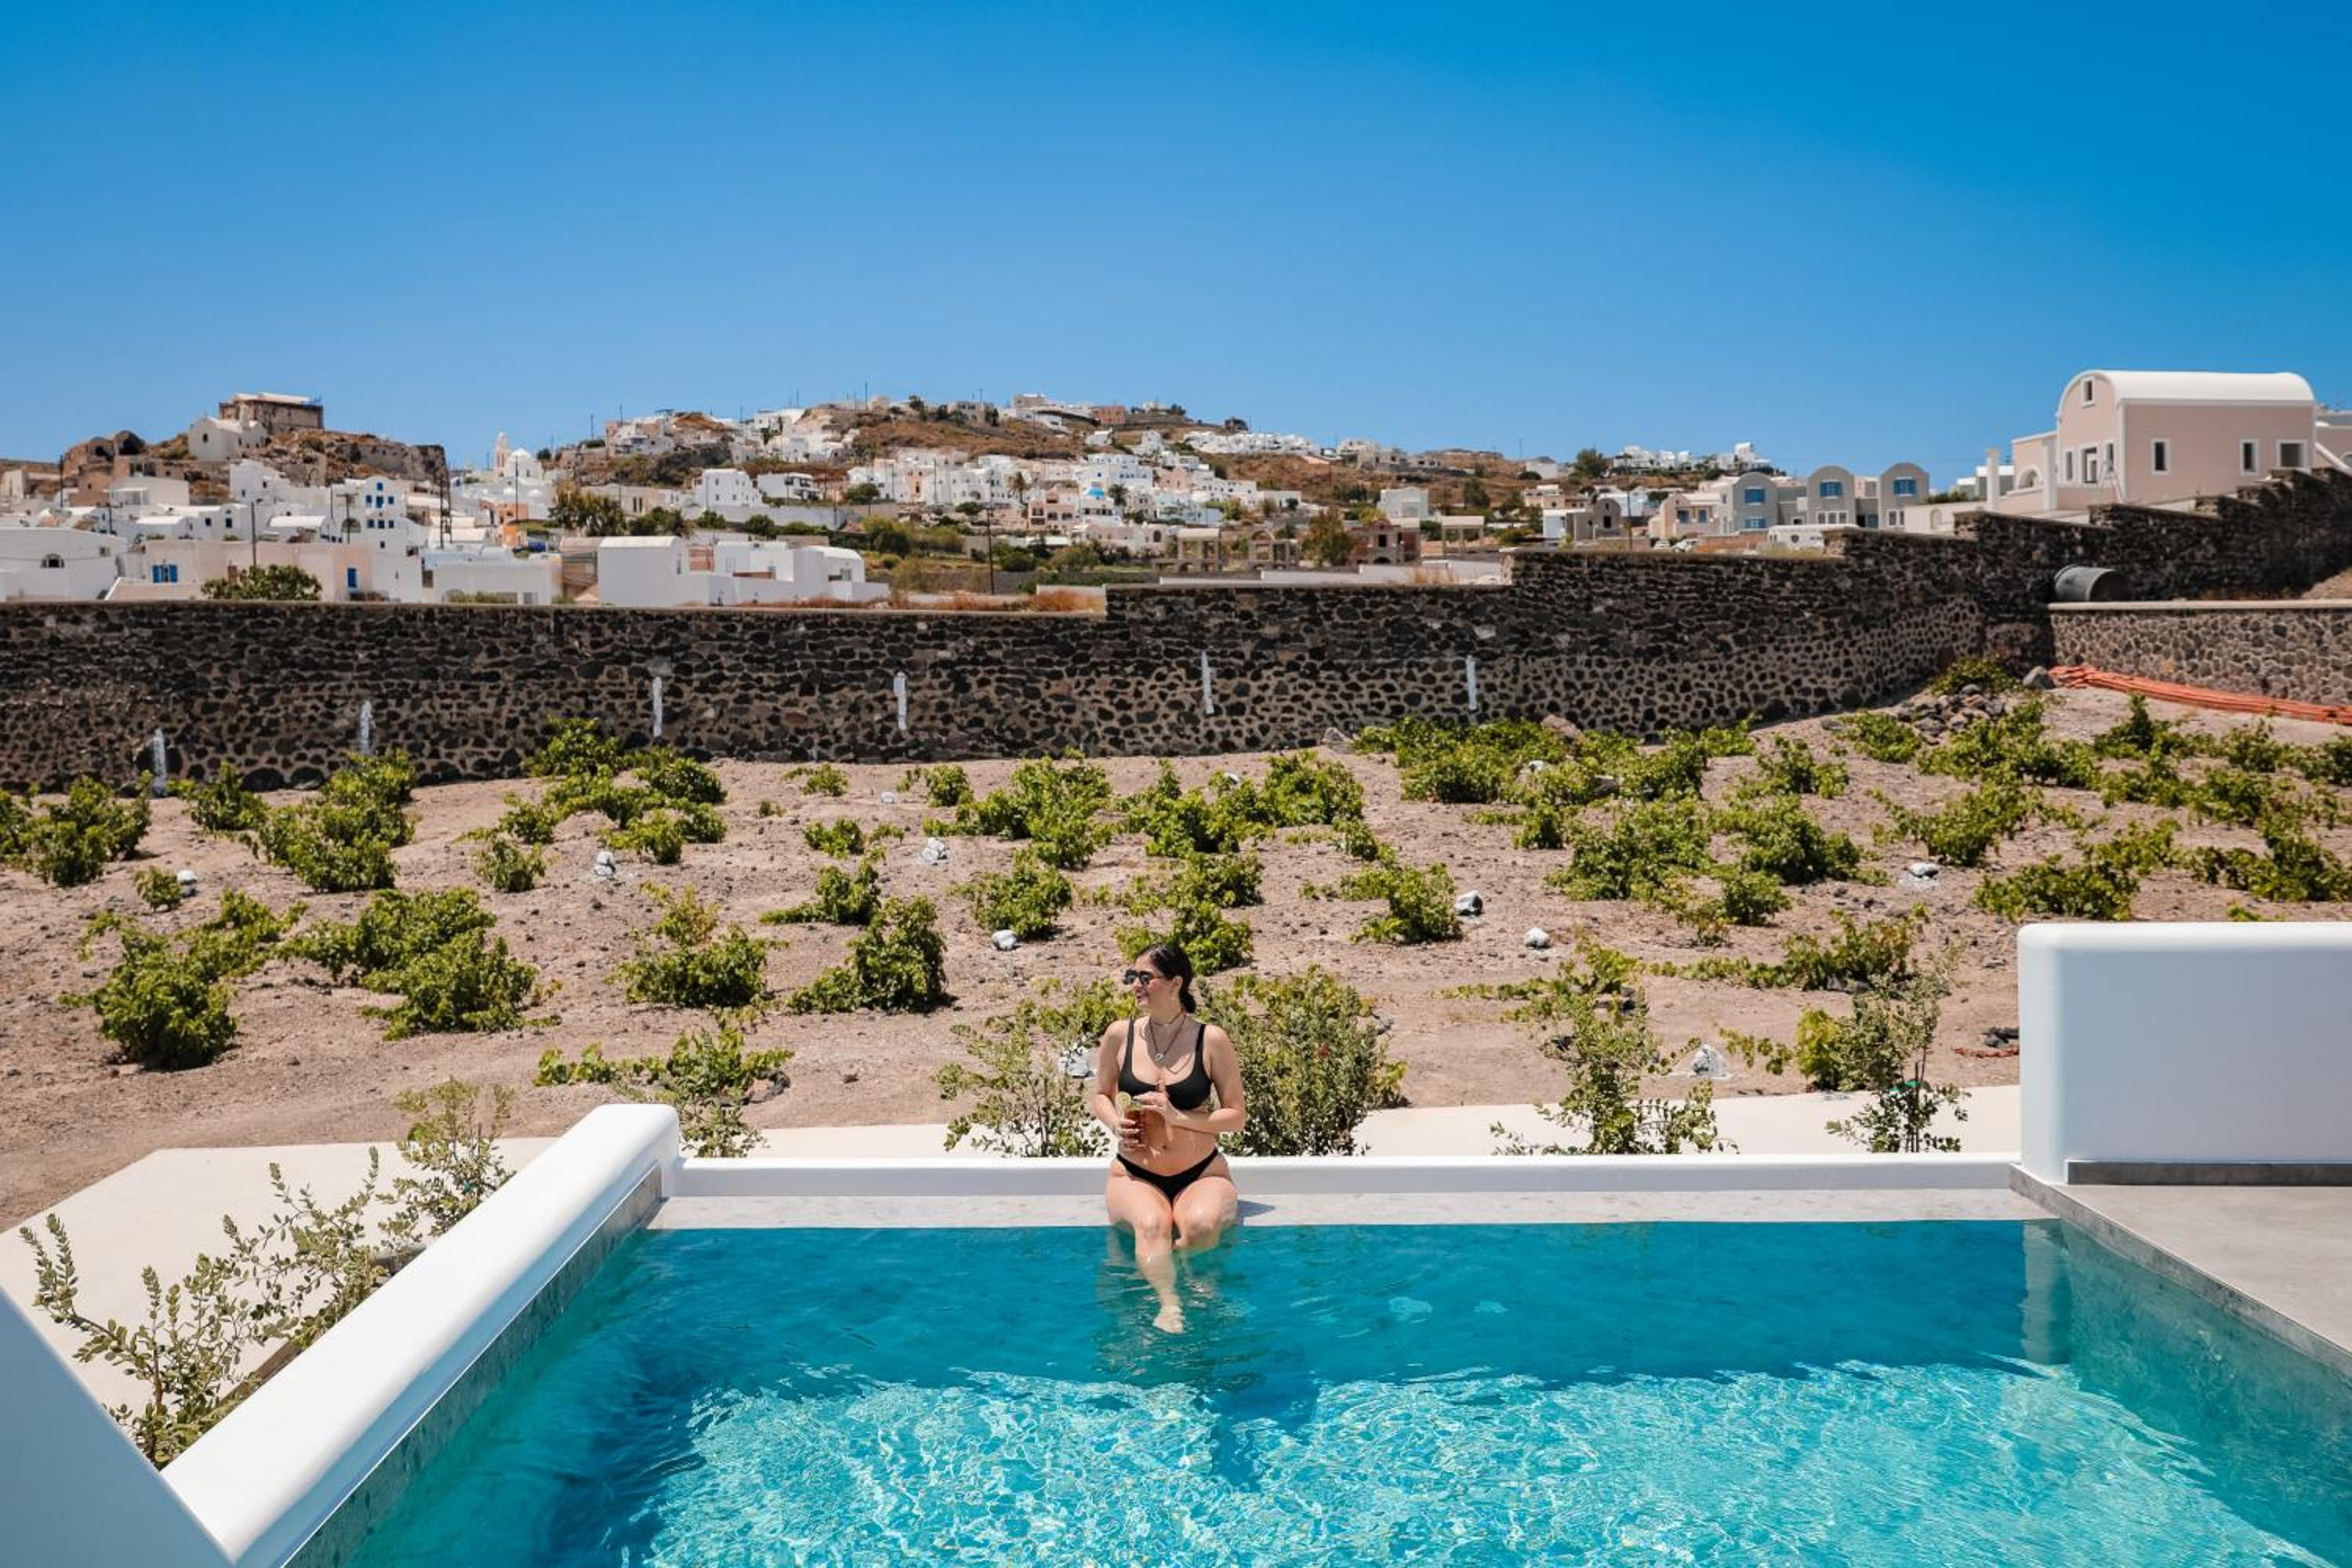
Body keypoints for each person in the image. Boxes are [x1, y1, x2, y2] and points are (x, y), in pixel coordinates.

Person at [1093, 943, 1247, 1332]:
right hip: (1134, 1173)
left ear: (1176, 982)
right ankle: (1169, 1303)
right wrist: (1115, 1124)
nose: (1135, 986)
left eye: (1146, 978)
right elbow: (1100, 1095)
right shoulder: (1119, 1035)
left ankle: (1197, 1285)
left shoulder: (1210, 1040)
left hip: (1201, 1172)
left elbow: (1236, 1117)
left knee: (1199, 1225)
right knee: (1152, 1224)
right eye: (1132, 977)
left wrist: (1178, 1117)